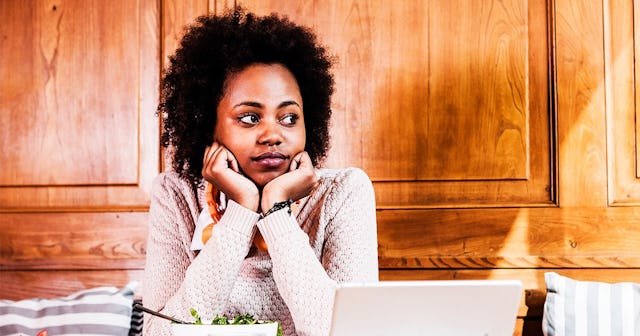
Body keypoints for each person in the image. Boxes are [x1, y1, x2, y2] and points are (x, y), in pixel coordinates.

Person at [142, 7, 378, 336]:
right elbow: (159, 334)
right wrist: (241, 213)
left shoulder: (344, 192)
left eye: (289, 117)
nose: (273, 134)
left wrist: (277, 212)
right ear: (207, 124)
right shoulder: (175, 194)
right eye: (250, 117)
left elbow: (351, 332)